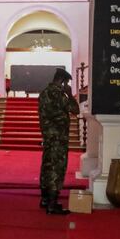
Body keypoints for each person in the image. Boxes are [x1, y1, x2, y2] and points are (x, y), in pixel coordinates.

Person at [38, 68, 79, 215]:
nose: (66, 85)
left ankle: (44, 199)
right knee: (57, 168)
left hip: (48, 137)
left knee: (47, 166)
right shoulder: (59, 95)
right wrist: (69, 94)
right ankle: (52, 204)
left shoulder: (43, 93)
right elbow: (75, 110)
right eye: (66, 82)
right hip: (59, 138)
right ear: (62, 81)